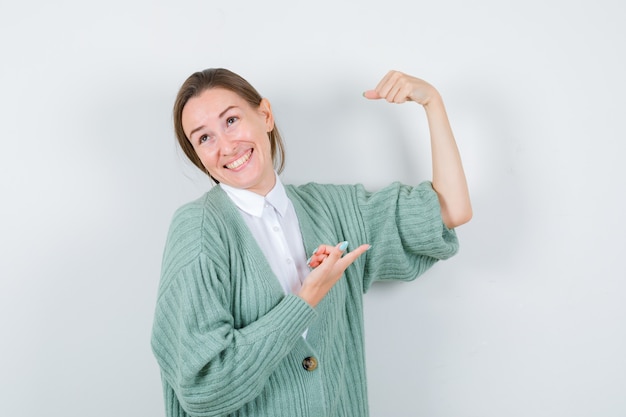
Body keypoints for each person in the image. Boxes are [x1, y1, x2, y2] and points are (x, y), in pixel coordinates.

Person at [151, 68, 472, 417]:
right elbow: (205, 386)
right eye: (204, 138)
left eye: (231, 120)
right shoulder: (197, 230)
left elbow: (450, 209)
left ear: (266, 115)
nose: (226, 146)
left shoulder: (334, 210)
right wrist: (306, 300)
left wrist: (432, 103)